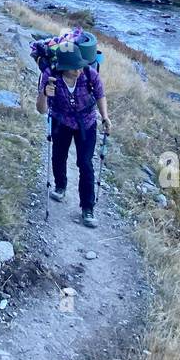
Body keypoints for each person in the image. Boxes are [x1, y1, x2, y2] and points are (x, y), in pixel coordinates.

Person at [35, 38, 111, 228]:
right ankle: (60, 185)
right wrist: (45, 93)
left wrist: (105, 117)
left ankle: (87, 207)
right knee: (58, 156)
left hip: (87, 123)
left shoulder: (89, 73)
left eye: (79, 65)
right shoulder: (50, 75)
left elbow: (100, 94)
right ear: (63, 67)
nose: (78, 70)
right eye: (73, 67)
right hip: (61, 121)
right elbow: (41, 110)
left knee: (85, 163)